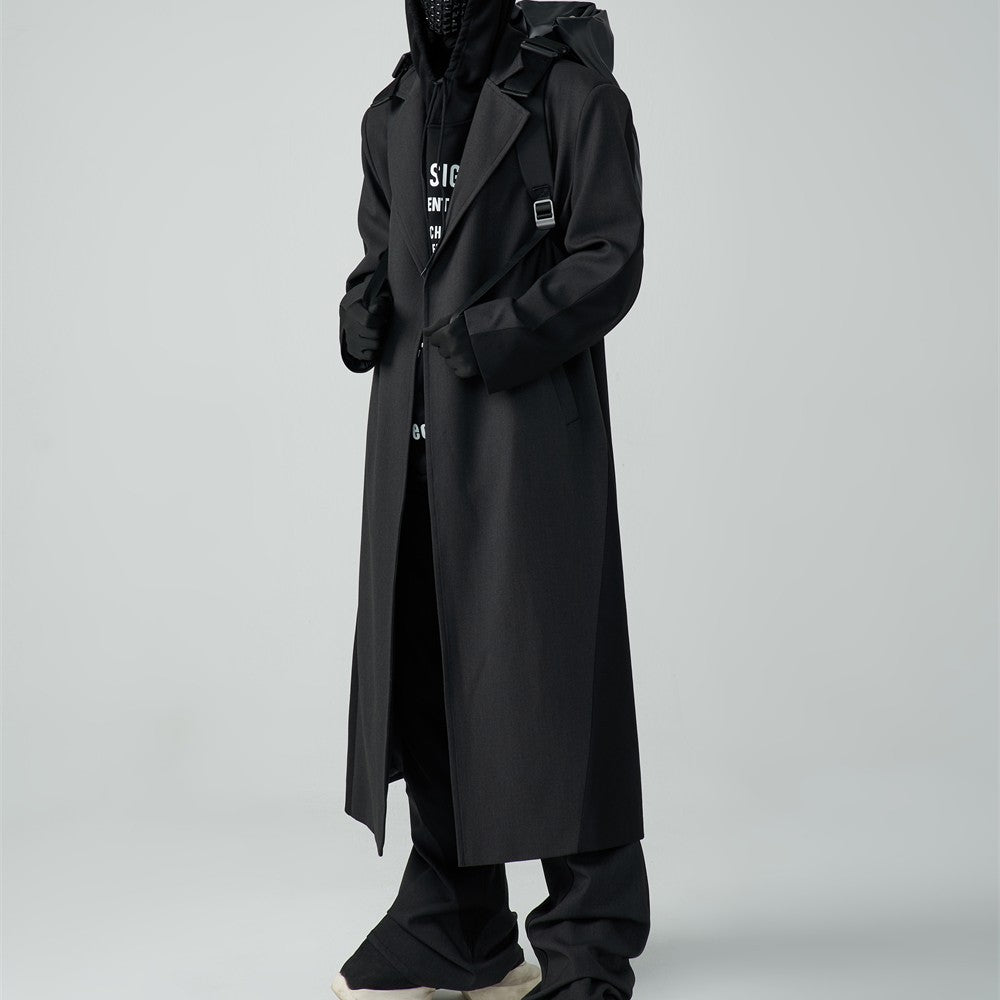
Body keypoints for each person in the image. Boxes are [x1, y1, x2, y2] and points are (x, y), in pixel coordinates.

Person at [335, 1, 648, 997]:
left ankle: (587, 938)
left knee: (554, 679)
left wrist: (500, 333)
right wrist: (359, 310)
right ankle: (456, 921)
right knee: (430, 675)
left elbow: (610, 256)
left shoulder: (573, 96)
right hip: (413, 442)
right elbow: (385, 253)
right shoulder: (391, 114)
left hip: (526, 440)